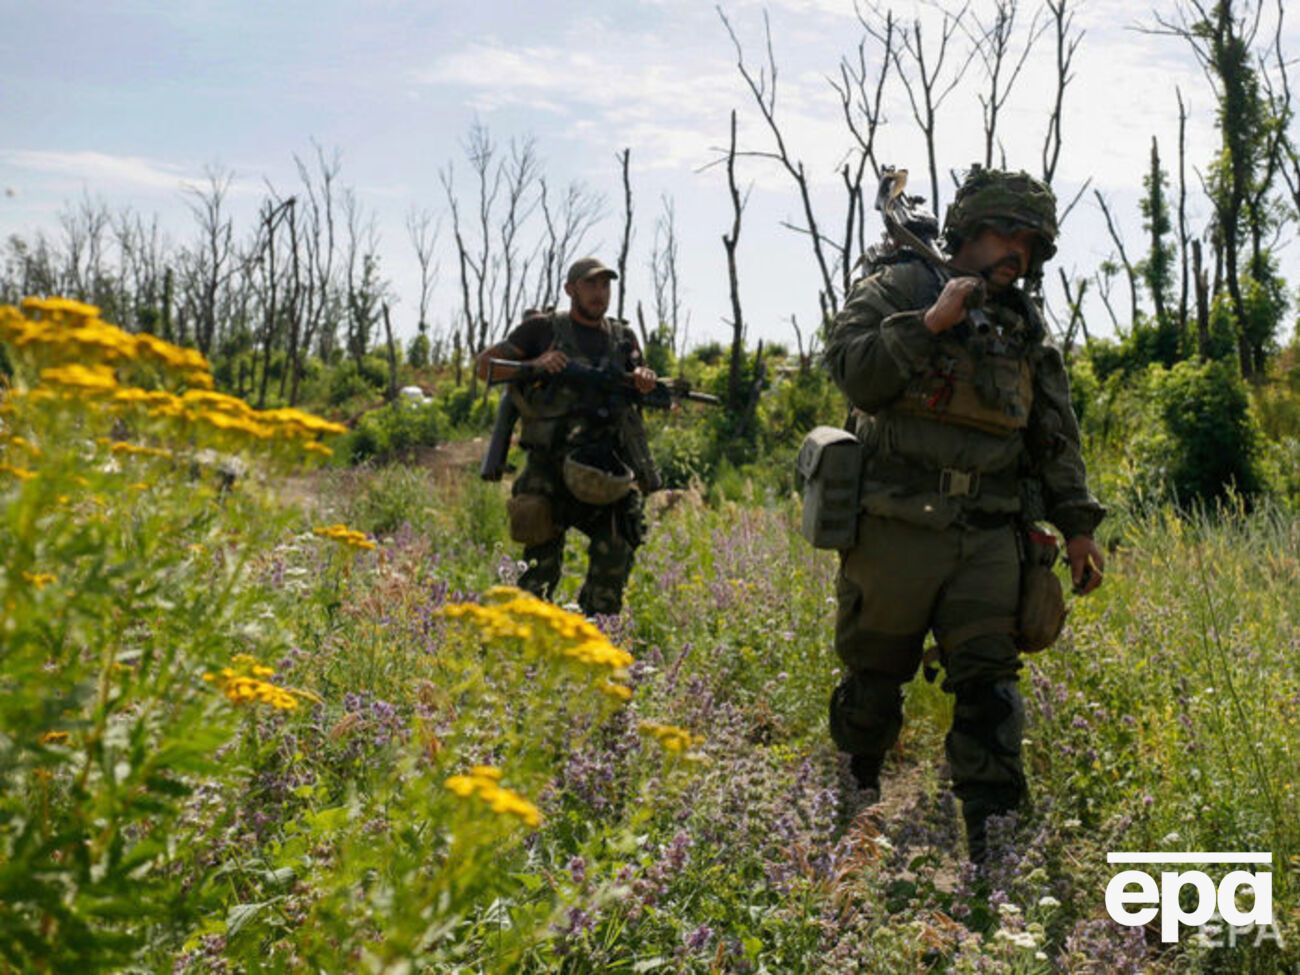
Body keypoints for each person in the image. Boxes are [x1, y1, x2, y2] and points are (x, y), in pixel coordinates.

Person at [824, 167, 1106, 861]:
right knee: (873, 685)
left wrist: (1077, 526)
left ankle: (994, 845)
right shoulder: (900, 287)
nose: (1019, 252)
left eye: (1031, 243)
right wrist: (927, 326)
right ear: (970, 230)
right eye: (1007, 234)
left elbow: (1053, 435)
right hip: (894, 528)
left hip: (988, 536)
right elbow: (853, 371)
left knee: (991, 690)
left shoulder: (1024, 326)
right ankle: (854, 805)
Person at [476, 257, 657, 616]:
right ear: (570, 289)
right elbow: (485, 367)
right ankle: (528, 648)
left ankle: (594, 637)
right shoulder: (541, 330)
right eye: (590, 284)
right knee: (538, 571)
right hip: (549, 469)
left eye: (605, 285)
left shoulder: (623, 338)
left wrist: (645, 379)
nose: (599, 293)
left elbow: (638, 382)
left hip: (605, 467)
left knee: (619, 545)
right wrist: (535, 365)